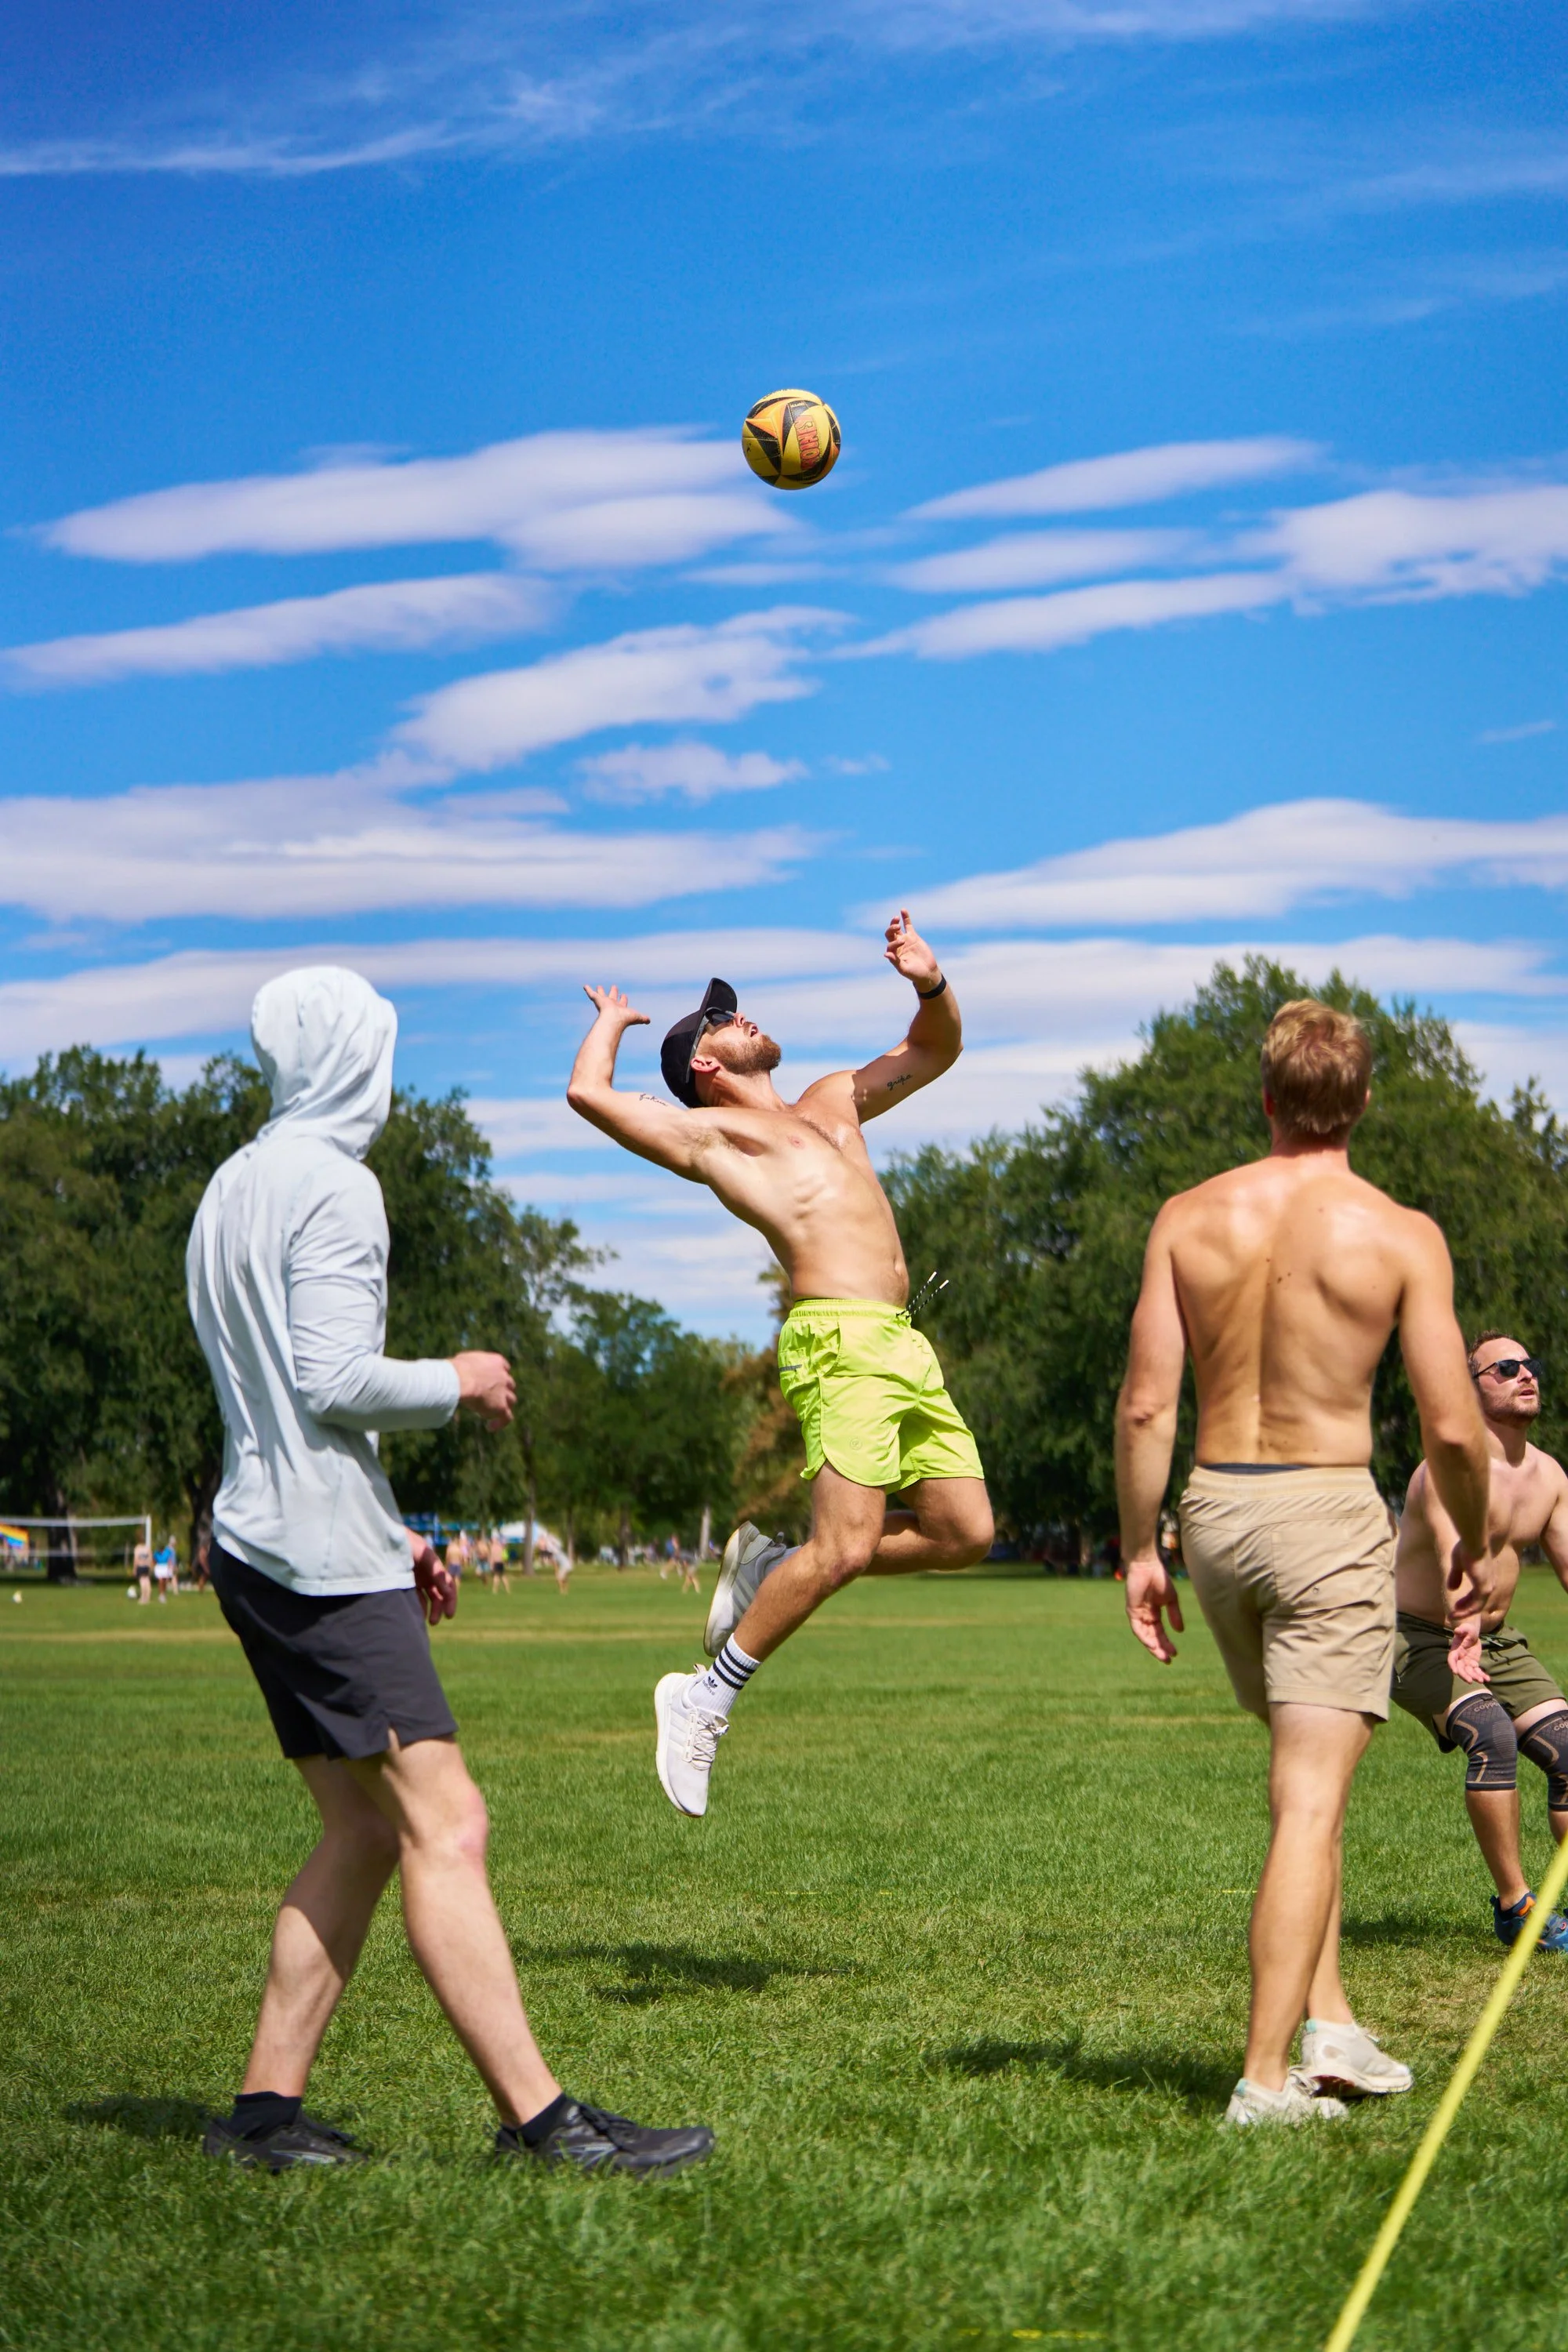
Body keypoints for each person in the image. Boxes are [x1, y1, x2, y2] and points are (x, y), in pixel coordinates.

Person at [187, 964, 712, 2178]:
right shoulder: (336, 1186)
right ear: (349, 1061)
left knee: (362, 1833)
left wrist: (397, 1530)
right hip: (317, 1562)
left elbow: (273, 1400)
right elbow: (329, 1380)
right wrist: (460, 1379)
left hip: (263, 1547)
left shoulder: (230, 1188)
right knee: (448, 1823)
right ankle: (544, 2121)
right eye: (380, 1049)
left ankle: (261, 2117)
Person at [1115, 998, 1491, 2129]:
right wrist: (1473, 1533)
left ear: (1268, 1099)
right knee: (1311, 1802)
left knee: (1299, 1792)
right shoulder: (1400, 1232)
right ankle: (1267, 2082)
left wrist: (1142, 1547)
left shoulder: (1189, 1216)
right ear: (1363, 1102)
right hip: (1325, 1512)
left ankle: (1332, 2021)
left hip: (1218, 1511)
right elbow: (1455, 1426)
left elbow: (1145, 1405)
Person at [566, 912, 994, 1820]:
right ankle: (703, 1695)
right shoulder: (716, 1141)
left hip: (900, 1342)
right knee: (842, 1548)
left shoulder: (833, 1097)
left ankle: (769, 1569)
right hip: (835, 1341)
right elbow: (589, 1097)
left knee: (964, 1532)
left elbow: (936, 1048)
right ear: (706, 1068)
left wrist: (927, 978)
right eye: (724, 1020)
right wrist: (610, 1019)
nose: (742, 1018)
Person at [1392, 1333, 1568, 1951]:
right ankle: (1517, 1906)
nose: (1527, 1375)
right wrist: (1462, 1613)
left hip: (1495, 1640)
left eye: (1531, 1366)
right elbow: (1452, 1552)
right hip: (1418, 1637)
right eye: (1506, 1368)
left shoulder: (1549, 1476)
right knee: (1490, 1734)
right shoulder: (1447, 1467)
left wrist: (1479, 1626)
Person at [132, 1534, 153, 1606]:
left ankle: (143, 1597)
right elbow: (150, 1558)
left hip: (140, 1566)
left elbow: (136, 1559)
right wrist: (150, 1567)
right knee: (147, 1581)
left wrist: (134, 1569)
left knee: (142, 1582)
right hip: (146, 1567)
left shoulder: (137, 1548)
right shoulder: (147, 1548)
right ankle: (148, 1597)